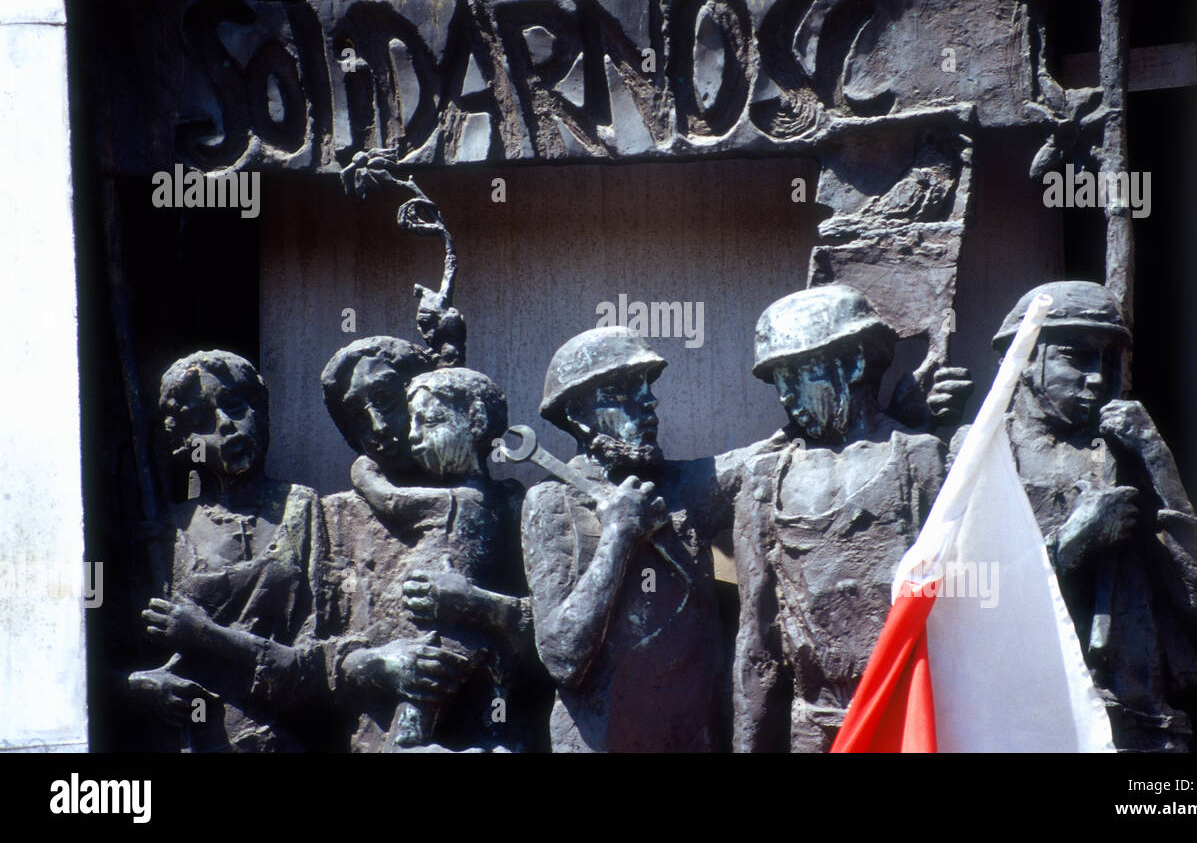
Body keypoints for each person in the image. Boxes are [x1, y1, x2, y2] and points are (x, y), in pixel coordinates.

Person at [984, 281, 1197, 751]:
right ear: (1027, 358)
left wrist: (1157, 460)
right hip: (1024, 720)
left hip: (1140, 726)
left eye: (1109, 360)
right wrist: (1075, 541)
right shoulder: (983, 455)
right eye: (1076, 357)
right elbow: (968, 599)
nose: (1096, 378)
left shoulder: (1130, 454)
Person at [726, 285, 949, 752]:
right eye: (777, 378)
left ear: (852, 364)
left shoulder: (922, 461)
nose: (786, 394)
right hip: (813, 724)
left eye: (800, 373)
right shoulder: (765, 478)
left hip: (906, 716)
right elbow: (756, 643)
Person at [319, 339, 534, 751]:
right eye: (356, 417)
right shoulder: (336, 518)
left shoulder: (508, 503)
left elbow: (550, 635)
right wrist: (375, 665)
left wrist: (484, 607)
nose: (378, 427)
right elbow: (306, 658)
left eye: (387, 400)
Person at [521, 326, 727, 752]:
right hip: (600, 739)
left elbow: (768, 457)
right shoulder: (551, 503)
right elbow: (562, 656)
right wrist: (618, 536)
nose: (649, 402)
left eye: (647, 387)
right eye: (622, 391)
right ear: (578, 415)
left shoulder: (690, 483)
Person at [128, 350, 330, 752]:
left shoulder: (303, 508)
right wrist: (139, 684)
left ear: (261, 410)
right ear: (186, 444)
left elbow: (313, 666)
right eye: (202, 422)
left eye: (235, 407)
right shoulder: (167, 532)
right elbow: (113, 656)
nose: (226, 427)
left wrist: (204, 634)